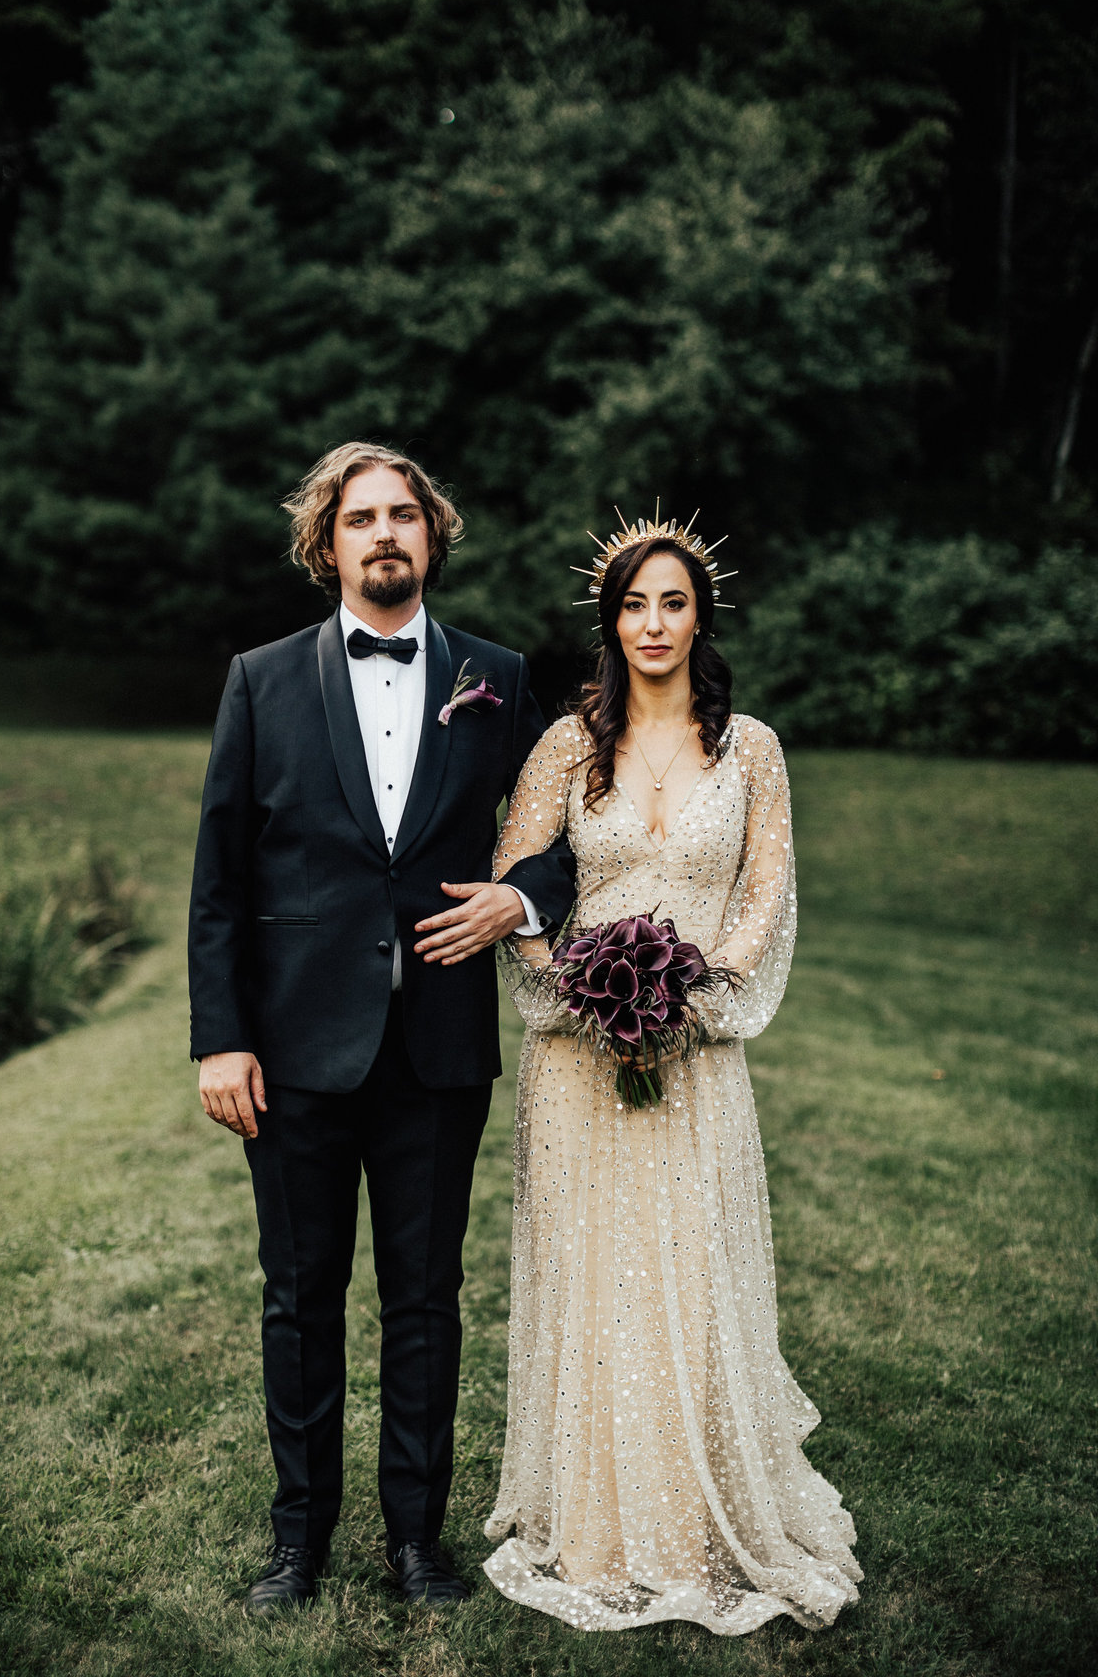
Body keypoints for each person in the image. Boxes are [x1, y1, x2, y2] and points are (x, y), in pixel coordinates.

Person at [188, 442, 575, 1616]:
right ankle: (296, 1546)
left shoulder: (499, 678)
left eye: (404, 515)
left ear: (432, 534)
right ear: (328, 545)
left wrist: (524, 898)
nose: (385, 534)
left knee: (425, 1303)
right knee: (299, 1302)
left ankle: (419, 1544)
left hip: (438, 1052)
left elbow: (573, 828)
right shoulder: (259, 681)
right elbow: (220, 881)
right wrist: (222, 1038)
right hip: (294, 1054)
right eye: (362, 519)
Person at [481, 511, 862, 1634]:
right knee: (596, 1277)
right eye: (635, 604)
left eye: (673, 602)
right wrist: (577, 994)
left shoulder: (752, 747)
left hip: (694, 1055)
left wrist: (692, 1000)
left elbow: (762, 896)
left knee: (693, 1278)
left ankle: (705, 1514)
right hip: (575, 1062)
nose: (654, 623)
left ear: (701, 616)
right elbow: (516, 888)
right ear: (612, 621)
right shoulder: (565, 744)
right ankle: (596, 1522)